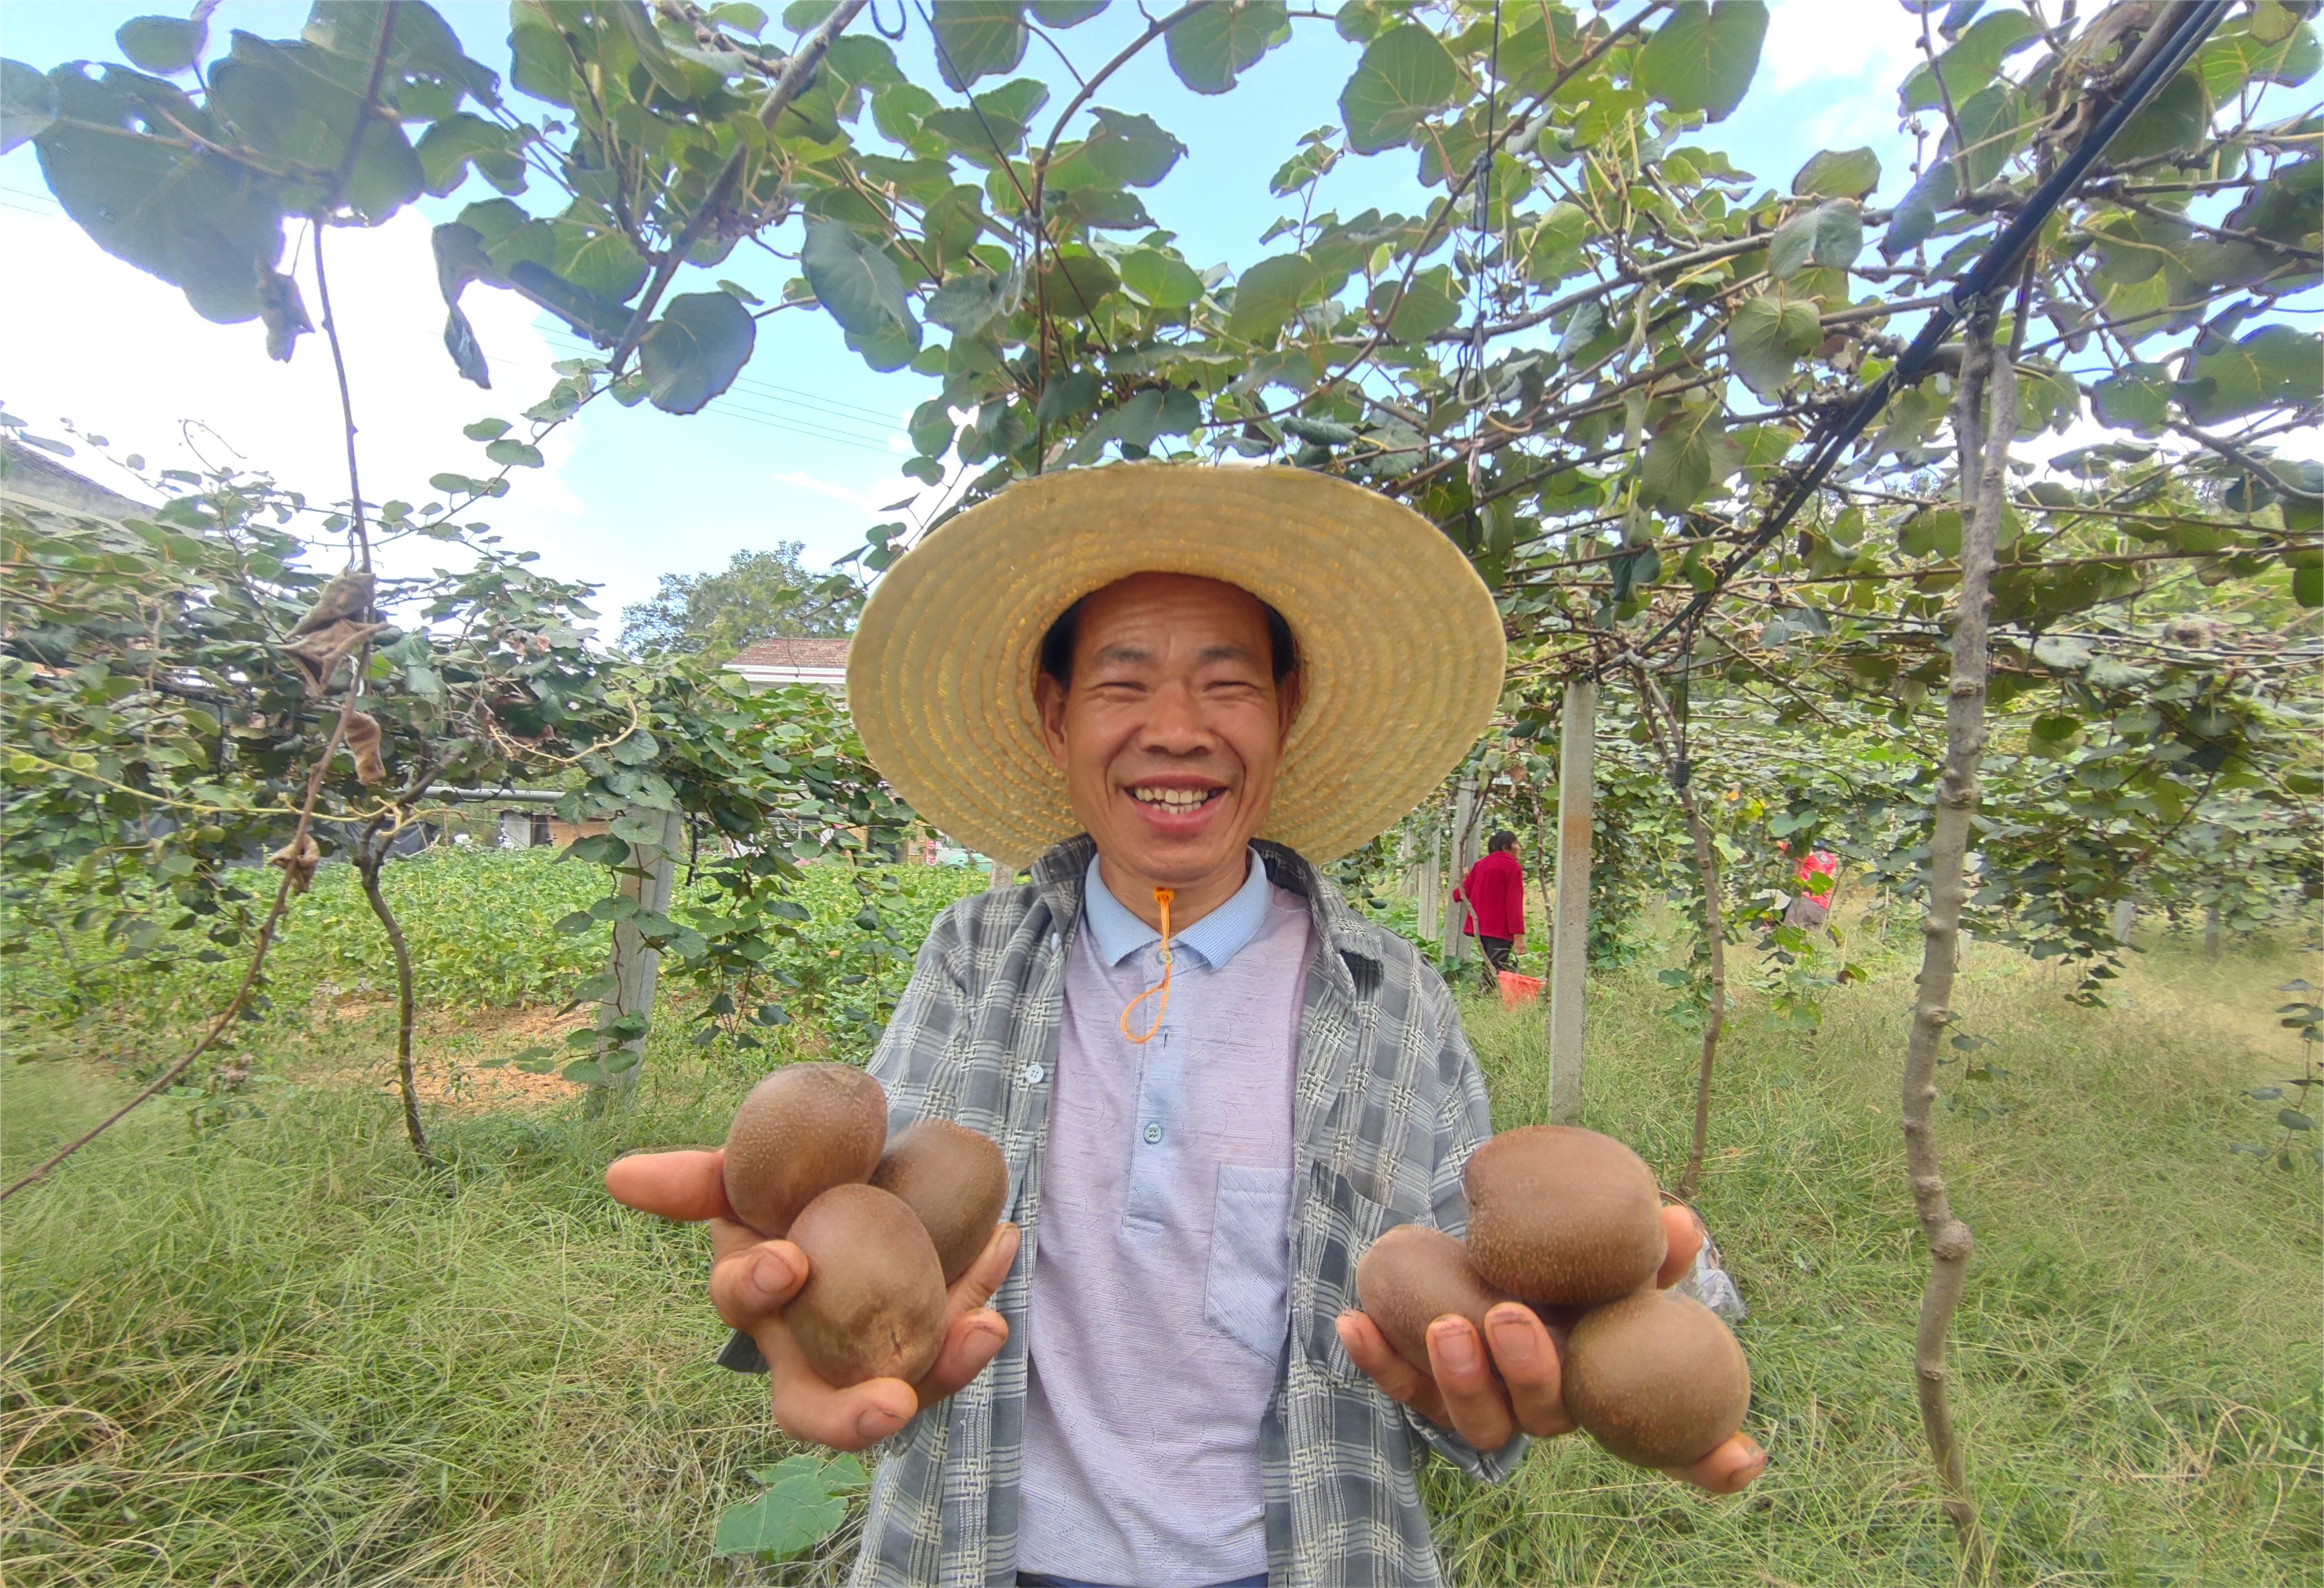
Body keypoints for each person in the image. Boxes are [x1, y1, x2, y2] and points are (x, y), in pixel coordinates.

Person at [606, 467, 1765, 1588]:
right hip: (983, 1547)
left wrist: (1619, 1323)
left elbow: (1484, 1259)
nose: (1176, 729)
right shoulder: (973, 953)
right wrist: (795, 1303)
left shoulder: (1387, 990)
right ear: (1055, 717)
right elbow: (874, 1224)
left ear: (1284, 713)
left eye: (1226, 684)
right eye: (1122, 684)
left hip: (1308, 1552)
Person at [1452, 830, 1525, 989]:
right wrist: (1518, 935)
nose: (1519, 848)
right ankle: (1482, 997)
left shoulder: (1481, 865)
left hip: (1481, 929)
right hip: (1500, 929)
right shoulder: (1513, 868)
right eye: (1516, 844)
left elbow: (1459, 895)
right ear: (1506, 848)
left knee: (1491, 965)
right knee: (1495, 969)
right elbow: (1514, 904)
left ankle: (1484, 997)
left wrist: (1467, 880)